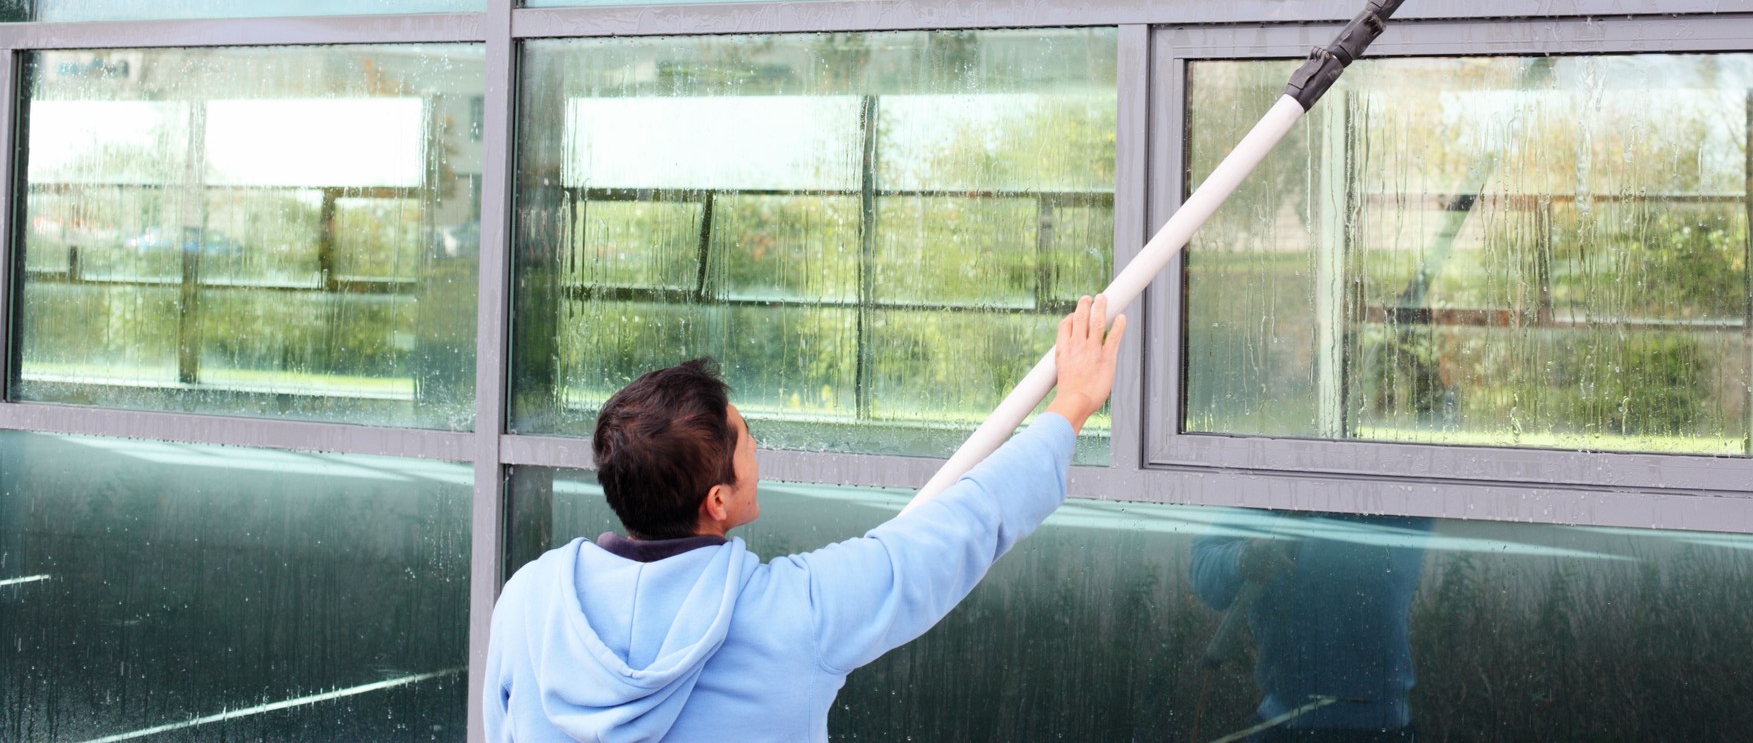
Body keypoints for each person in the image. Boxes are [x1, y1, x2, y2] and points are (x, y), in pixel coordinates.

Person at [484, 294, 1127, 742]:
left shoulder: (527, 605)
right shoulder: (796, 615)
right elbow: (959, 530)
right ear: (717, 502)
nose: (756, 447)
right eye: (745, 438)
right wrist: (1071, 403)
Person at [1190, 511, 1431, 743]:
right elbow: (1204, 572)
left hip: (1374, 725)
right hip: (1289, 721)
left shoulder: (1391, 487)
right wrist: (1242, 558)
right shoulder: (1273, 485)